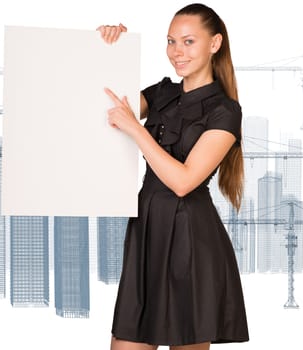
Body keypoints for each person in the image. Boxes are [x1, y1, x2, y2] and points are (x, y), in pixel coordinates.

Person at [97, 3, 249, 350]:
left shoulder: (225, 111)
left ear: (215, 44)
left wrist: (137, 130)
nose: (176, 52)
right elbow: (103, 110)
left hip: (191, 242)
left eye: (188, 41)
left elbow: (183, 181)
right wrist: (108, 51)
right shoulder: (162, 93)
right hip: (146, 233)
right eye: (170, 41)